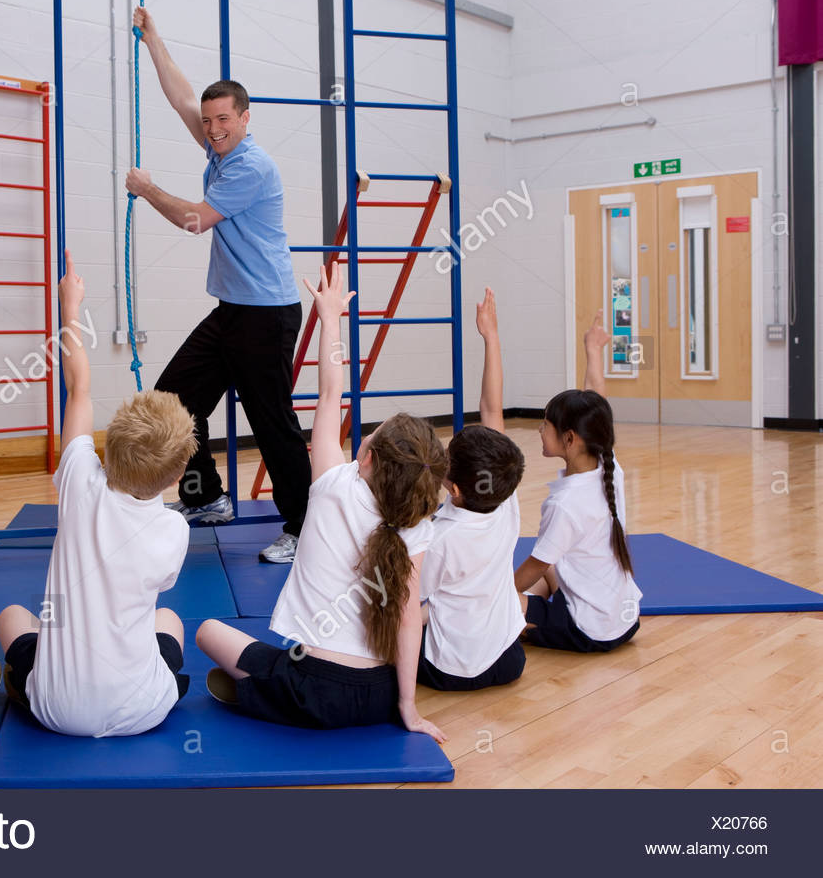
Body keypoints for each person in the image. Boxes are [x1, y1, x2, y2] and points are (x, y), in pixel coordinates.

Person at [195, 264, 447, 740]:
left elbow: (331, 392)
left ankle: (262, 693)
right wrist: (407, 707)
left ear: (367, 457)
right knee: (410, 612)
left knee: (207, 630)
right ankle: (260, 691)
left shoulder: (333, 483)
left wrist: (330, 319)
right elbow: (410, 619)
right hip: (378, 695)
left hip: (311, 688)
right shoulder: (415, 524)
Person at [124, 5, 310, 563]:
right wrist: (153, 37)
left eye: (224, 119)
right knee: (174, 399)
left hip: (267, 314)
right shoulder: (218, 148)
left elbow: (192, 221)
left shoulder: (250, 166)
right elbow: (182, 97)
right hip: (233, 310)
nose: (213, 128)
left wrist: (147, 189)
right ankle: (206, 497)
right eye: (209, 121)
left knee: (272, 421)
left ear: (246, 118)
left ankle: (302, 529)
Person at [0, 251, 198, 737]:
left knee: (11, 617)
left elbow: (79, 387)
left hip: (55, 711)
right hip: (144, 712)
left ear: (107, 448)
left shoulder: (79, 478)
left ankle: (35, 676)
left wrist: (71, 307)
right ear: (174, 479)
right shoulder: (173, 529)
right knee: (168, 618)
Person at [416, 288, 526, 691]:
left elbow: (413, 607)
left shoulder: (440, 538)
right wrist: (490, 336)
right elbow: (493, 411)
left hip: (452, 671)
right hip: (509, 659)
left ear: (454, 488)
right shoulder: (504, 496)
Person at [514, 310, 642, 653]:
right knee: (549, 569)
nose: (540, 431)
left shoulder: (565, 503)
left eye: (545, 425)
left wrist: (497, 595)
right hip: (625, 621)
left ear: (570, 439)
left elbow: (534, 566)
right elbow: (597, 402)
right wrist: (593, 351)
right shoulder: (607, 463)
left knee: (508, 604)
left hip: (588, 630)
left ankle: (530, 625)